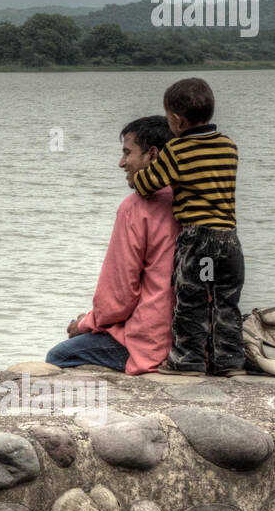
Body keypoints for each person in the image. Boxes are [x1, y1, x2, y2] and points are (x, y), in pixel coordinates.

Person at [47, 116, 178, 374]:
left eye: (127, 153)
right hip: (194, 341)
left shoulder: (135, 208)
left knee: (59, 356)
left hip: (154, 343)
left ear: (152, 155)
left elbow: (118, 299)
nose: (121, 163)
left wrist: (86, 322)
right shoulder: (195, 202)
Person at [133, 78, 245, 377]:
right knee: (226, 302)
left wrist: (136, 178)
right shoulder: (229, 146)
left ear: (176, 120)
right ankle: (231, 362)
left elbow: (147, 185)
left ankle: (188, 360)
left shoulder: (178, 150)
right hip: (229, 241)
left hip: (199, 240)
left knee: (192, 299)